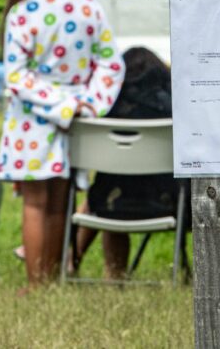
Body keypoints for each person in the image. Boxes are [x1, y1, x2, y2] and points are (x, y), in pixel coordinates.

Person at [0, 0, 125, 288]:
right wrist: (86, 103)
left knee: (36, 203)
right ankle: (53, 279)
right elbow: (111, 64)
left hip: (33, 119)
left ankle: (37, 285)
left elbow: (16, 75)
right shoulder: (89, 7)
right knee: (61, 200)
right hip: (76, 121)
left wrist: (57, 104)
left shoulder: (23, 12)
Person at [73, 46, 176, 279]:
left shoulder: (104, 113)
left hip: (110, 205)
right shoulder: (173, 110)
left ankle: (110, 272)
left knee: (106, 196)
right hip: (169, 203)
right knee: (117, 194)